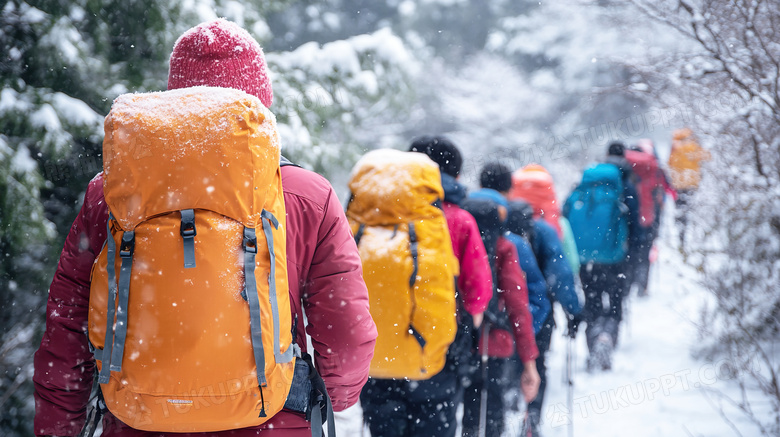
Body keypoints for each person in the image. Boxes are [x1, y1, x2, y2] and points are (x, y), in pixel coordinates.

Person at [33, 19, 377, 437]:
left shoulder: (111, 193)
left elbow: (66, 329)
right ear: (260, 103)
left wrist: (59, 427)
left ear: (176, 97)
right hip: (271, 422)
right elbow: (346, 334)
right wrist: (333, 395)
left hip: (137, 423)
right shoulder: (307, 195)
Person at [358, 138, 493, 437]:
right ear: (454, 175)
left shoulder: (369, 219)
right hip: (435, 357)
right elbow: (478, 291)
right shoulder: (457, 219)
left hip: (378, 356)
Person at [460, 165, 541, 437]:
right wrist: (529, 361)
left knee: (464, 413)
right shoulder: (506, 245)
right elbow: (518, 305)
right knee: (492, 410)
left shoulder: (456, 232)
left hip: (456, 339)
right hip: (493, 341)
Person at [504, 200, 582, 436]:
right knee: (538, 365)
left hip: (505, 316)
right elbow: (561, 274)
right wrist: (573, 311)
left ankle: (507, 408)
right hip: (538, 315)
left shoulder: (500, 237)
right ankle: (532, 416)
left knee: (511, 365)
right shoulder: (544, 231)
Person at [566, 141, 643, 371]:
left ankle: (593, 345)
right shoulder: (624, 186)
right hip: (616, 257)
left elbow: (565, 218)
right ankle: (607, 338)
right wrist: (635, 255)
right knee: (616, 301)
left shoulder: (584, 186)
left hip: (585, 258)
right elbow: (636, 226)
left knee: (592, 302)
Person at [667, 128, 710, 248]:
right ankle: (686, 236)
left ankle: (680, 231)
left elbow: (670, 163)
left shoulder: (675, 147)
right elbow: (707, 156)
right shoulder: (694, 146)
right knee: (688, 208)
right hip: (692, 184)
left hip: (678, 184)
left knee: (680, 208)